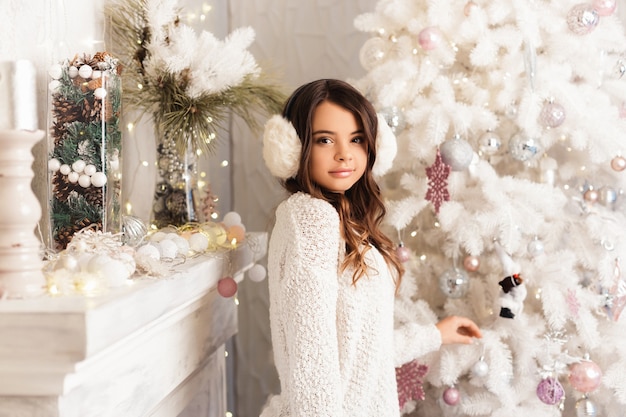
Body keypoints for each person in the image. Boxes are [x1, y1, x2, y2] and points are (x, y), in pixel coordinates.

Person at [260, 79, 482, 416]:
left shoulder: (340, 222)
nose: (344, 154)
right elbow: (312, 363)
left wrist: (434, 335)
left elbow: (361, 351)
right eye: (324, 140)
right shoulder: (310, 221)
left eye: (357, 139)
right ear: (294, 148)